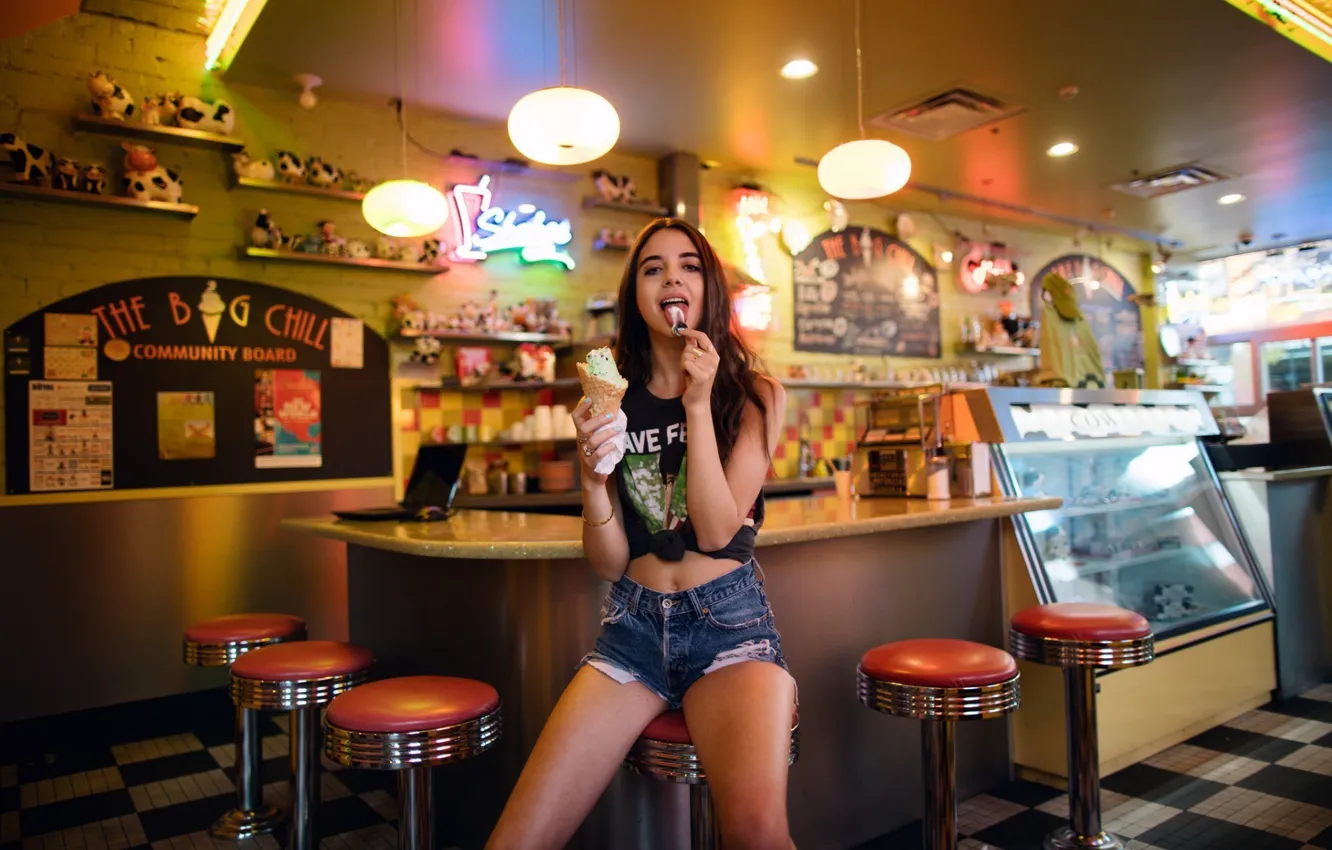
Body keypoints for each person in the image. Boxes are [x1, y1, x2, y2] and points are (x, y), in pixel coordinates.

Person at [486, 218, 796, 850]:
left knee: (758, 835)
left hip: (728, 632)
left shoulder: (754, 393)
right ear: (636, 295)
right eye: (653, 269)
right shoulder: (612, 398)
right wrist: (593, 479)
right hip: (631, 630)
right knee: (517, 839)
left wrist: (697, 402)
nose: (671, 277)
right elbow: (607, 561)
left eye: (687, 265)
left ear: (708, 289)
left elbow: (714, 529)